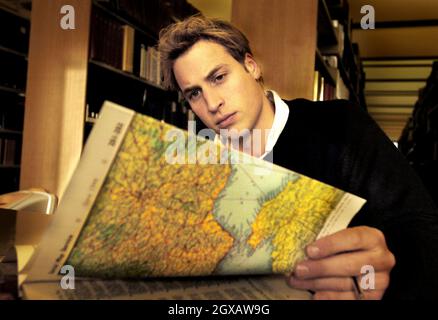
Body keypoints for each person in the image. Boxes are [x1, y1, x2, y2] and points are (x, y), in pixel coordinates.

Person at [158, 15, 438, 300]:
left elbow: (421, 228)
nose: (212, 104)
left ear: (251, 67)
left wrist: (387, 267)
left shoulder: (341, 125)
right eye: (194, 93)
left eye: (218, 77)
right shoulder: (194, 164)